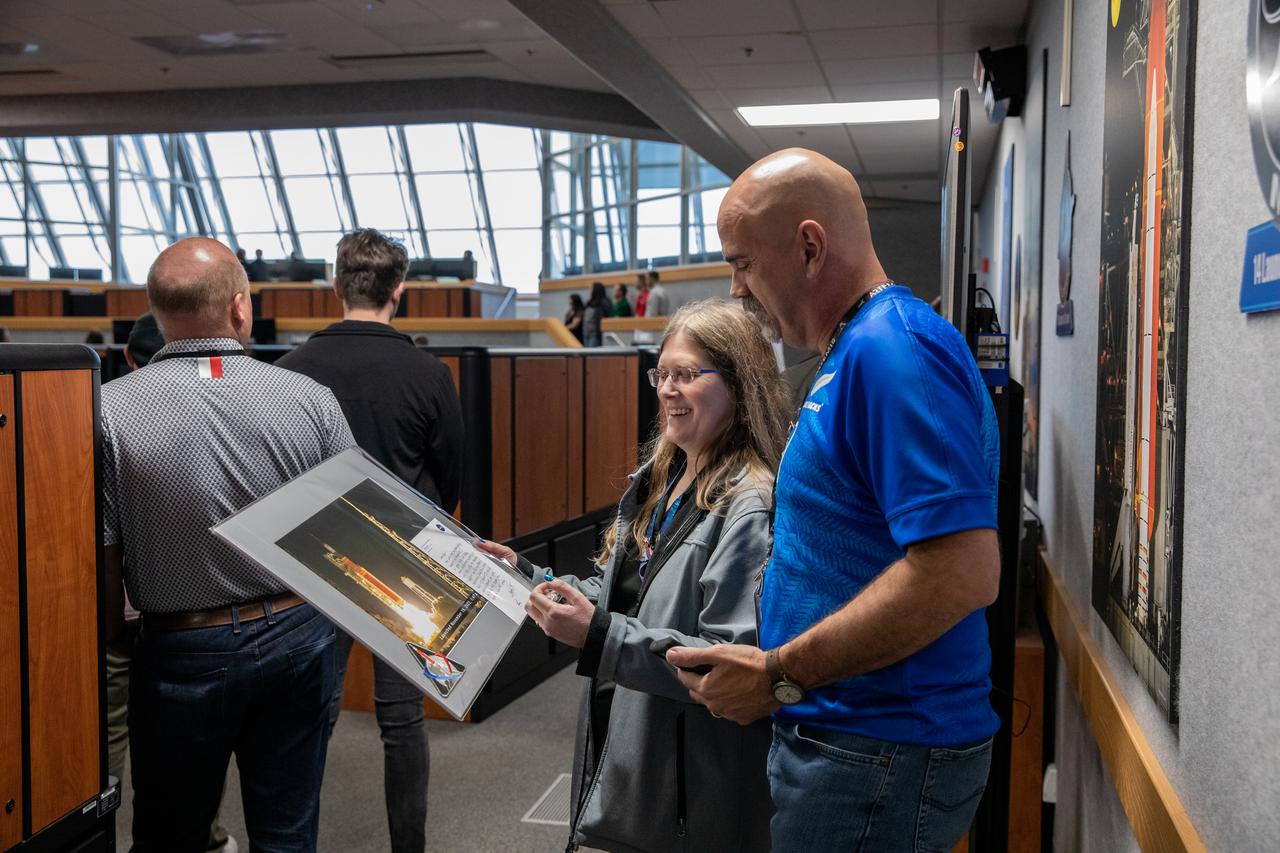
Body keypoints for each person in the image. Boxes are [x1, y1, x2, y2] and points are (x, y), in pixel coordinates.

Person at [665, 148, 1002, 852]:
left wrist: (781, 672)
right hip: (853, 739)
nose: (736, 290)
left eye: (745, 264)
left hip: (879, 747)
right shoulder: (854, 349)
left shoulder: (893, 350)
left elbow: (961, 569)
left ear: (810, 247)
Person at [478, 299, 789, 853]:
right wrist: (528, 577)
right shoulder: (661, 478)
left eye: (687, 375)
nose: (667, 389)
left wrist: (597, 637)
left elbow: (724, 666)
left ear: (740, 385)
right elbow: (628, 593)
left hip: (685, 790)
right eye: (662, 373)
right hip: (625, 742)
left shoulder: (749, 504)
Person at [101, 237, 355, 852]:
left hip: (181, 646)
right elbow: (357, 531)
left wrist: (118, 647)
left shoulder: (106, 412)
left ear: (158, 314)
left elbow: (102, 559)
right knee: (288, 833)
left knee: (170, 835)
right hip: (300, 634)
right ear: (240, 309)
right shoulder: (308, 400)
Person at [277, 228, 464, 853]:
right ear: (399, 291)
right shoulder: (428, 373)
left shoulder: (286, 372)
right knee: (402, 720)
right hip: (403, 564)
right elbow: (450, 480)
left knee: (311, 719)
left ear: (336, 285)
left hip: (311, 562)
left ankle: (290, 839)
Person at [581, 282, 609, 347]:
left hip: (595, 333)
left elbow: (605, 316)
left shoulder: (603, 302)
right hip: (586, 332)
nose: (589, 290)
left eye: (591, 288)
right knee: (586, 354)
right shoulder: (589, 302)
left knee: (592, 355)